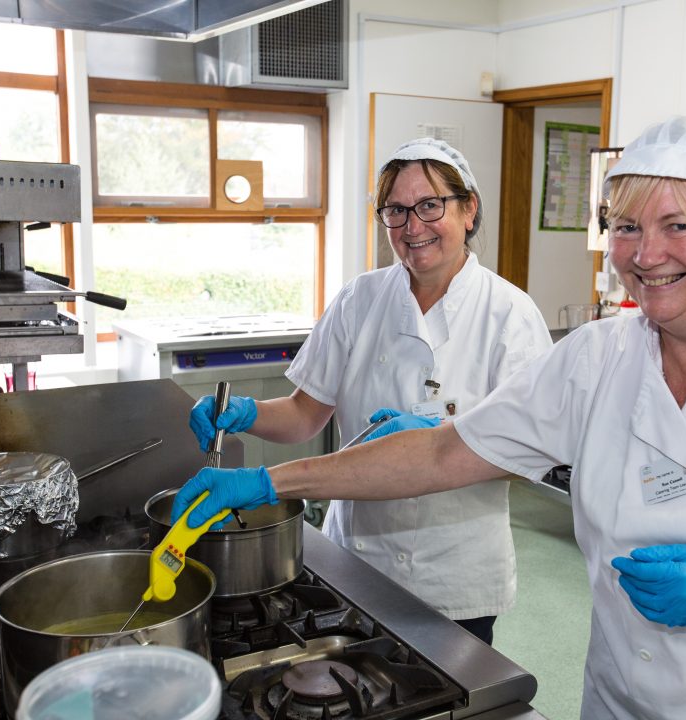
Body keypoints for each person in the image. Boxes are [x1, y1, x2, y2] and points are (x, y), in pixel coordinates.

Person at [173, 116, 686, 719]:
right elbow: (448, 454)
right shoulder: (597, 356)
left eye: (679, 226)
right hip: (626, 699)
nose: (645, 254)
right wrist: (269, 480)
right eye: (624, 227)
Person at [182, 137, 552, 645]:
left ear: (468, 210)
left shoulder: (511, 316)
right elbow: (305, 414)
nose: (412, 227)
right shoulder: (361, 299)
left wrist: (447, 438)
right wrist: (245, 413)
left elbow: (527, 453)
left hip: (454, 571)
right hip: (356, 557)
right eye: (395, 211)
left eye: (430, 205)